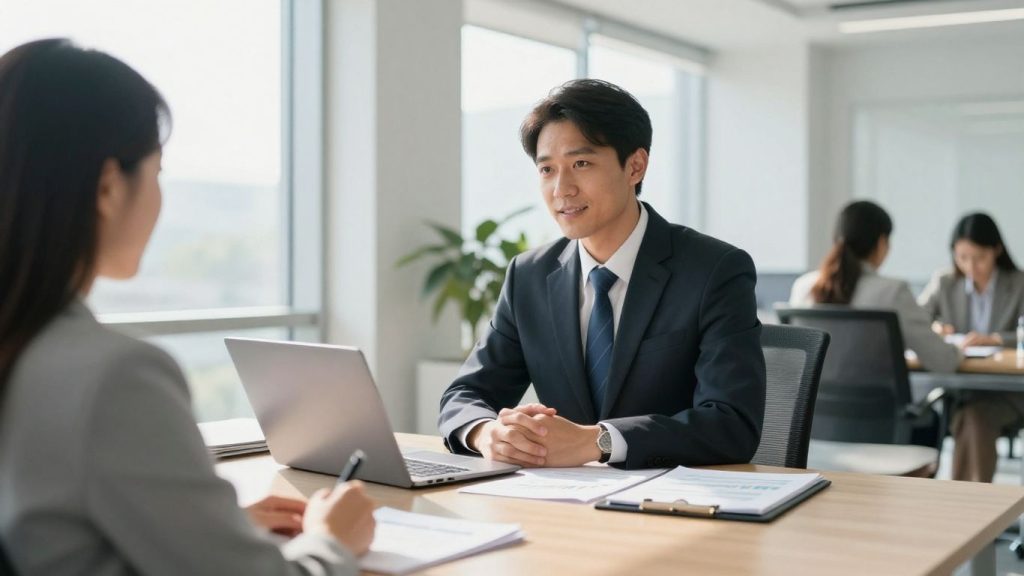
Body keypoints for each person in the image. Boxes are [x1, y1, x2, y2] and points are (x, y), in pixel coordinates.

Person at [0, 39, 374, 575]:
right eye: (158, 171)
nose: (158, 195)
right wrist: (331, 541)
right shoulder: (113, 376)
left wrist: (211, 527)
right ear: (109, 187)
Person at [438, 79, 766, 470]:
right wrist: (487, 433)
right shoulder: (528, 275)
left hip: (671, 505)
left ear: (635, 166)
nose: (562, 189)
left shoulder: (714, 270)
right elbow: (465, 395)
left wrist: (599, 441)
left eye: (581, 164)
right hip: (562, 503)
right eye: (547, 169)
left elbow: (731, 424)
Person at [789, 200, 961, 374]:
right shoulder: (893, 292)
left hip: (815, 402)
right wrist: (959, 350)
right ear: (881, 242)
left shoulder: (803, 288)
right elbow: (944, 362)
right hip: (878, 401)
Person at [918, 212, 1024, 482]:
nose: (971, 267)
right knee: (970, 417)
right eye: (962, 258)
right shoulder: (944, 282)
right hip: (961, 389)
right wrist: (935, 329)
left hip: (1008, 392)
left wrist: (998, 339)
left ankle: (966, 511)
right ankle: (969, 510)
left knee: (974, 419)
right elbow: (917, 320)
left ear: (996, 250)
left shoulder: (1019, 283)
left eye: (979, 258)